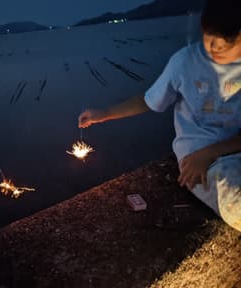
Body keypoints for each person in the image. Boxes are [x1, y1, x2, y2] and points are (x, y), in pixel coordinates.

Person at [79, 0, 241, 231]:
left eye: (223, 46)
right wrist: (105, 113)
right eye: (207, 40)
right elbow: (149, 100)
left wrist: (211, 151)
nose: (212, 50)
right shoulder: (184, 62)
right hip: (203, 162)